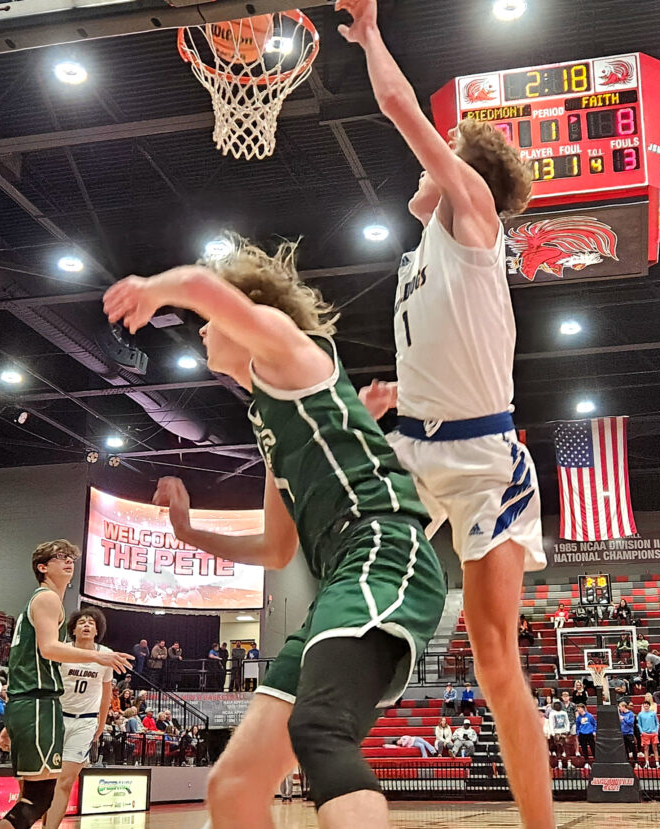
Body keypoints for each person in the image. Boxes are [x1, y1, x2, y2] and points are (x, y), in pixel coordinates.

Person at [104, 241, 446, 829]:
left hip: (383, 549)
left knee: (320, 732)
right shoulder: (268, 419)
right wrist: (188, 532)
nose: (205, 331)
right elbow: (276, 549)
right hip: (339, 576)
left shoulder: (291, 352)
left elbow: (204, 286)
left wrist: (160, 287)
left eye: (210, 322)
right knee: (234, 785)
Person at [340, 1, 550, 824]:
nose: (419, 170)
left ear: (464, 170)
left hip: (484, 462)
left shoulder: (473, 216)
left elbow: (398, 108)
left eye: (441, 157)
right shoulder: (421, 251)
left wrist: (369, 34)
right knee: (344, 598)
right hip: (413, 452)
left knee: (497, 662)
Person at [0, 541, 131, 829]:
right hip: (36, 703)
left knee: (37, 797)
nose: (68, 561)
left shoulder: (44, 600)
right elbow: (48, 649)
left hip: (34, 705)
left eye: (71, 557)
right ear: (42, 567)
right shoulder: (47, 599)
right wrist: (97, 656)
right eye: (59, 557)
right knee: (38, 799)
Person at [43, 607, 115, 829]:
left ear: (97, 631)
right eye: (82, 622)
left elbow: (106, 695)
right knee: (46, 780)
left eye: (91, 623)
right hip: (56, 717)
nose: (86, 625)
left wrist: (101, 725)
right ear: (73, 629)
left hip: (85, 722)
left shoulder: (106, 655)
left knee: (65, 781)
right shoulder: (62, 650)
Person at [637, 699, 660, 768]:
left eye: (647, 705)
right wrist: (642, 732)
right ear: (643, 706)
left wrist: (656, 731)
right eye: (645, 705)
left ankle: (657, 763)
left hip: (653, 733)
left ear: (649, 706)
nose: (646, 706)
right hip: (645, 734)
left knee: (655, 748)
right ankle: (647, 763)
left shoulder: (653, 713)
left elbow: (657, 723)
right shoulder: (640, 714)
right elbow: (639, 724)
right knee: (646, 748)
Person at [618, 701, 637, 766]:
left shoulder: (630, 714)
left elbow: (631, 723)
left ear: (623, 707)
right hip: (623, 733)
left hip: (629, 733)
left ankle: (636, 762)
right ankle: (627, 762)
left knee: (633, 748)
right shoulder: (620, 714)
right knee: (625, 749)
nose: (619, 709)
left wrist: (624, 719)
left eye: (620, 707)